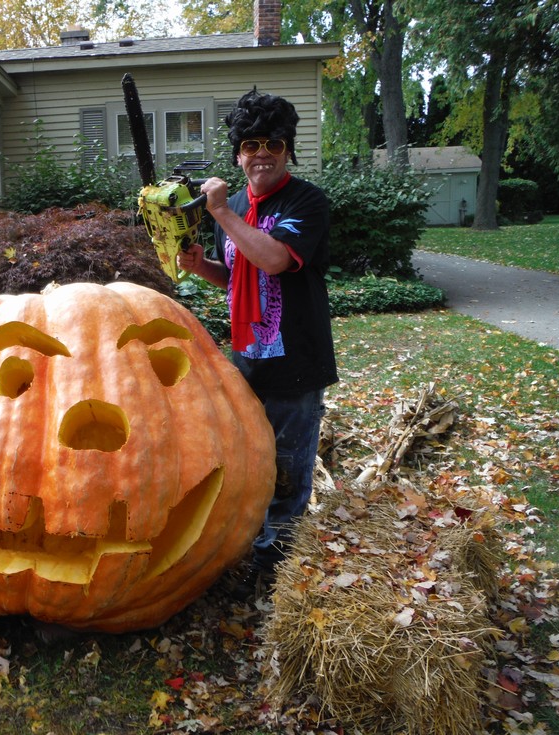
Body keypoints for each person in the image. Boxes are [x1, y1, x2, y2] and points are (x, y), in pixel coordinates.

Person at [177, 89, 338, 598]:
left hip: (296, 365)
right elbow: (239, 274)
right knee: (249, 465)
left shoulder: (306, 201)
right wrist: (201, 266)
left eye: (274, 143)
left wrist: (221, 215)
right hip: (246, 362)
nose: (262, 153)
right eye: (251, 145)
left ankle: (274, 572)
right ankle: (252, 551)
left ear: (288, 150)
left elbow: (274, 259)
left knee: (287, 473)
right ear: (238, 155)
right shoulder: (236, 205)